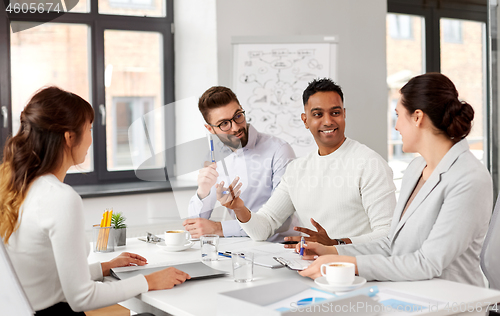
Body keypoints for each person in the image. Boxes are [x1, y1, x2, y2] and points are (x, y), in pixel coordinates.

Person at [0, 87, 190, 315]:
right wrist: (148, 281)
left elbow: (45, 277)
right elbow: (82, 298)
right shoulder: (59, 197)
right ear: (69, 137)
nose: (91, 138)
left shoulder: (15, 186)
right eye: (89, 129)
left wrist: (103, 268)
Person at [298, 73, 493, 287]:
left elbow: (428, 263)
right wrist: (332, 250)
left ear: (417, 117)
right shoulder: (416, 169)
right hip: (408, 294)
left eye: (398, 115)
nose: (396, 126)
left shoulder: (469, 178)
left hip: (451, 303)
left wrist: (347, 263)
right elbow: (392, 244)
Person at [216, 78, 396, 246]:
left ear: (344, 115)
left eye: (335, 113)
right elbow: (263, 228)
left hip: (355, 270)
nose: (328, 121)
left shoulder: (370, 163)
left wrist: (337, 244)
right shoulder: (296, 169)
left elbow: (388, 233)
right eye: (318, 114)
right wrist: (239, 208)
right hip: (310, 267)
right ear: (305, 120)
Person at [183, 86, 301, 242]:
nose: (236, 127)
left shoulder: (279, 151)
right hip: (240, 248)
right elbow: (196, 226)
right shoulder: (215, 157)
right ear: (210, 129)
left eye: (238, 116)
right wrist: (202, 191)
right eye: (224, 123)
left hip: (279, 247)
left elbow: (282, 220)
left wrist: (219, 228)